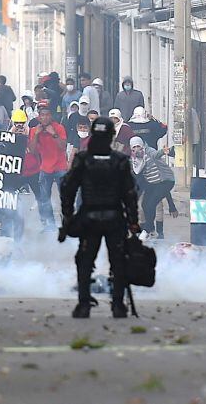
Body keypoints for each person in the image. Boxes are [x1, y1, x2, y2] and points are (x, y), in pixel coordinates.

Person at [59, 118, 140, 318]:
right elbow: (130, 194)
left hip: (90, 217)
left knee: (85, 260)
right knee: (118, 261)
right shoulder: (120, 160)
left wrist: (68, 216)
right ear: (112, 136)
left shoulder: (84, 159)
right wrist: (133, 221)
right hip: (114, 218)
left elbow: (67, 188)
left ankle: (84, 303)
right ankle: (118, 304)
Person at [130, 137, 178, 240]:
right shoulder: (135, 160)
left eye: (139, 146)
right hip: (153, 184)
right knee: (145, 204)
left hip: (165, 180)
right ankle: (151, 229)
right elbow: (136, 178)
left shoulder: (148, 151)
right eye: (134, 147)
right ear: (131, 149)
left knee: (152, 204)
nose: (137, 149)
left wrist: (163, 151)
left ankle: (147, 230)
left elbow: (156, 154)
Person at [28, 105, 67, 231]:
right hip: (45, 168)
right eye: (42, 115)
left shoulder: (59, 127)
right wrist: (36, 135)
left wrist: (53, 134)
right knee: (44, 199)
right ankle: (50, 225)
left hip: (60, 167)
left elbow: (63, 147)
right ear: (39, 117)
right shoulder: (35, 130)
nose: (44, 117)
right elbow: (32, 150)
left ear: (51, 115)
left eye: (47, 114)